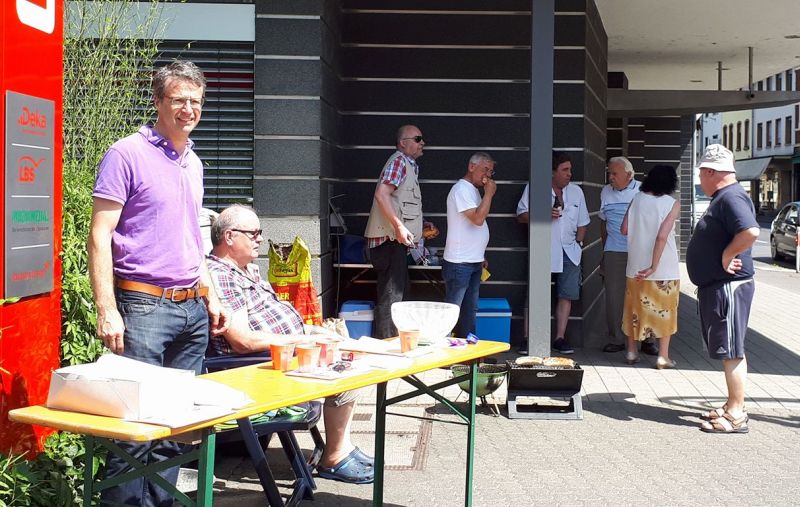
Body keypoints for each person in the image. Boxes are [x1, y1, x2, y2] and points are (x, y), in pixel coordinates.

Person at [88, 61, 228, 506]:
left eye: (196, 101)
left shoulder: (194, 161)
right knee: (132, 431)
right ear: (157, 102)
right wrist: (106, 308)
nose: (188, 109)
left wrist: (212, 292)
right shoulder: (126, 153)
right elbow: (99, 234)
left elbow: (192, 237)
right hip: (143, 306)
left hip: (190, 308)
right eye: (179, 99)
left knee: (174, 428)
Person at [207, 205, 374, 484]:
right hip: (259, 369)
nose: (260, 238)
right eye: (254, 233)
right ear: (229, 236)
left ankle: (341, 446)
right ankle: (333, 457)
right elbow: (242, 341)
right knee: (345, 368)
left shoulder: (248, 270)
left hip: (280, 356)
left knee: (345, 351)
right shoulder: (222, 275)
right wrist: (304, 339)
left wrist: (314, 330)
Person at [687, 144, 759, 434]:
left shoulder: (730, 198)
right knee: (730, 349)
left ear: (710, 172)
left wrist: (727, 255)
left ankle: (737, 413)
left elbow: (751, 231)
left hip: (728, 286)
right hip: (719, 286)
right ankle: (732, 404)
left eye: (701, 174)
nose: (700, 180)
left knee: (732, 351)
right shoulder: (726, 197)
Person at [364, 125, 437, 339]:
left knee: (400, 297)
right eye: (418, 138)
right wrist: (398, 226)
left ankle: (395, 346)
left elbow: (399, 203)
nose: (422, 142)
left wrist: (418, 225)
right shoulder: (398, 162)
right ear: (402, 143)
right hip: (388, 243)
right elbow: (382, 194)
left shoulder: (409, 165)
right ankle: (387, 352)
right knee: (391, 301)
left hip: (396, 244)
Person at [517, 152, 589, 355]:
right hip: (544, 248)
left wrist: (579, 243)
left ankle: (560, 338)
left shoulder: (576, 192)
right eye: (565, 170)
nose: (569, 174)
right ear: (552, 172)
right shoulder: (535, 187)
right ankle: (527, 338)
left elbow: (583, 221)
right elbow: (521, 215)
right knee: (535, 293)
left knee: (566, 294)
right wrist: (542, 213)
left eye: (570, 169)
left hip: (570, 250)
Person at [620, 164, 681, 368]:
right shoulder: (672, 204)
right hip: (664, 268)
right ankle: (662, 356)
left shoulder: (636, 199)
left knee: (634, 310)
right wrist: (654, 265)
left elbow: (624, 228)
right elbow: (662, 236)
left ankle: (631, 352)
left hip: (635, 266)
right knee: (665, 311)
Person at [442, 152, 497, 337]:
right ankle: (444, 351)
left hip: (472, 260)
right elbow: (477, 219)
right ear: (471, 167)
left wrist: (480, 255)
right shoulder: (461, 189)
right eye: (485, 169)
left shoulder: (472, 190)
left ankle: (467, 353)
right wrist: (489, 194)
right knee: (453, 310)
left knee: (470, 309)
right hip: (460, 263)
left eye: (491, 171)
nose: (488, 175)